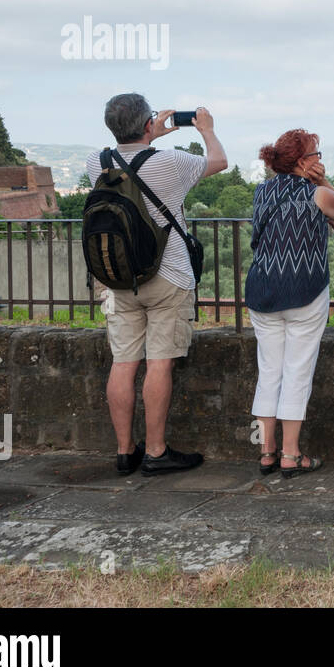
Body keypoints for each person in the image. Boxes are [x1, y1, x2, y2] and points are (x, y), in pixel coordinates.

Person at [88, 94, 227, 476]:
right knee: (159, 364)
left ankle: (123, 451)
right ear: (148, 124)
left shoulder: (96, 163)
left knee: (123, 363)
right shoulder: (171, 161)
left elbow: (131, 163)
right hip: (169, 276)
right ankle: (155, 451)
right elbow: (219, 161)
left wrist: (148, 137)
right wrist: (206, 131)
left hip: (118, 279)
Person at [245, 130, 334, 478]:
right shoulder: (318, 193)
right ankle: (291, 455)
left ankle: (266, 452)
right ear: (304, 162)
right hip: (304, 292)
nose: (320, 159)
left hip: (262, 291)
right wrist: (327, 182)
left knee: (269, 371)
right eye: (316, 155)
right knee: (297, 372)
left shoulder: (263, 191)